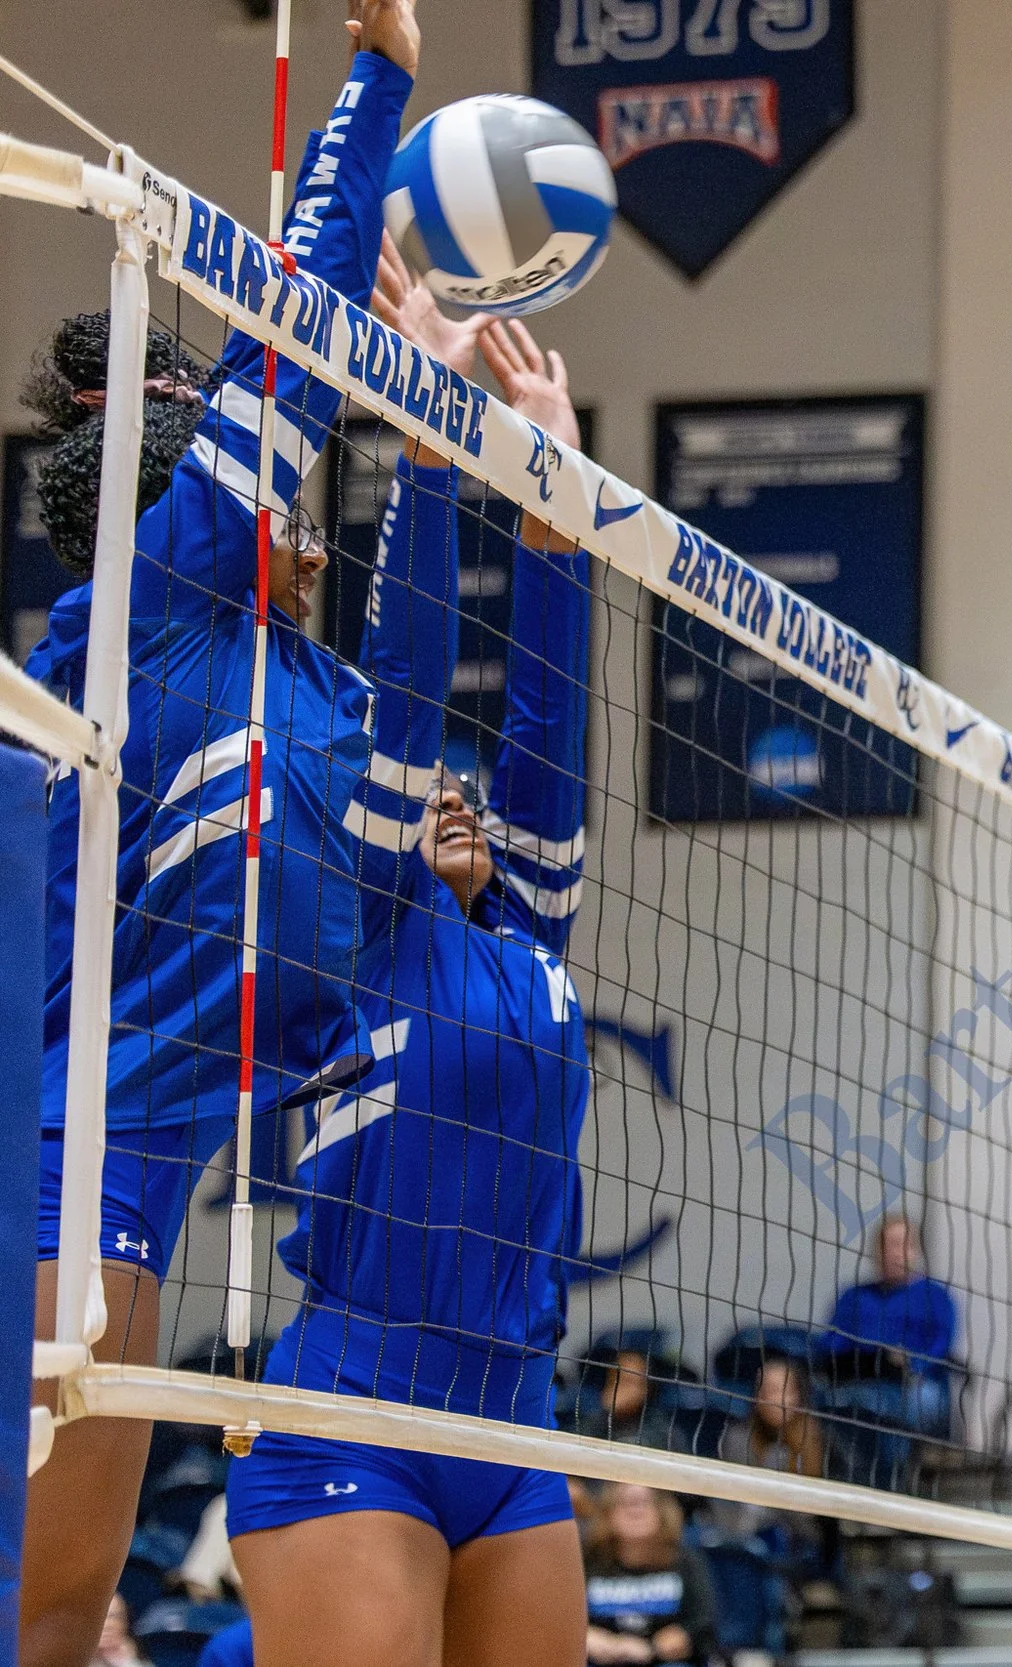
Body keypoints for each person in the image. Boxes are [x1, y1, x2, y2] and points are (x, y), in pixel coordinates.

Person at [20, 8, 421, 1662]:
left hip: (129, 1185)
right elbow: (295, 330)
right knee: (43, 1615)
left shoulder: (267, 684)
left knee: (61, 1617)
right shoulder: (160, 605)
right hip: (65, 1184)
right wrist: (382, 76)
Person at [224, 287, 594, 1667]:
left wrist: (556, 503)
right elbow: (407, 683)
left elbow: (551, 723)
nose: (447, 790)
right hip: (355, 1409)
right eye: (425, 781)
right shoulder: (367, 924)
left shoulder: (533, 938)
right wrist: (427, 454)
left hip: (512, 1424)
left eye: (464, 788)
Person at [826, 1214, 957, 1486]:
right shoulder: (854, 1297)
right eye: (887, 1245)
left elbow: (939, 1347)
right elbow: (831, 1343)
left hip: (914, 1386)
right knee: (830, 1401)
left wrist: (908, 1362)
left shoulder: (936, 1298)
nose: (894, 1252)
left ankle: (895, 1483)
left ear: (916, 1250)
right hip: (862, 1382)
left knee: (913, 1402)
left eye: (902, 1244)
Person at [713, 1354, 829, 1565]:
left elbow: (813, 1518)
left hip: (802, 1546)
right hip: (745, 1540)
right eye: (764, 1390)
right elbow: (732, 1504)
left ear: (798, 1395)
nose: (771, 1399)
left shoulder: (820, 1440)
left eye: (780, 1390)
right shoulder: (738, 1437)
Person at [584, 1483, 718, 1666]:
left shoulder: (686, 1561)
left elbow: (703, 1625)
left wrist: (652, 1647)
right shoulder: (588, 1560)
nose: (635, 1511)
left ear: (662, 1511)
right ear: (608, 1512)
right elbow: (564, 1620)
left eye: (643, 1502)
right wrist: (586, 1636)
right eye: (626, 1502)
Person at [570, 1347, 682, 1451]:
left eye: (628, 1381)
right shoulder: (591, 1424)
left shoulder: (663, 1433)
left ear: (648, 1389)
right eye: (613, 1378)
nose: (618, 1388)